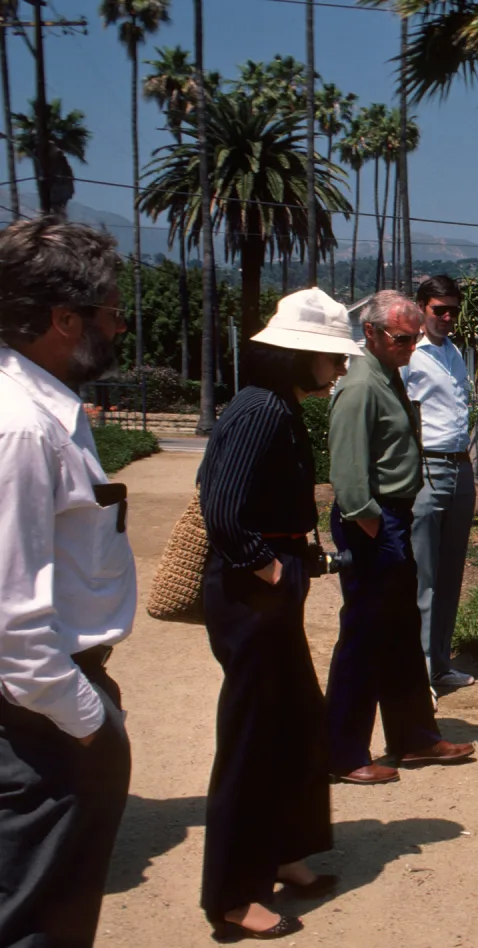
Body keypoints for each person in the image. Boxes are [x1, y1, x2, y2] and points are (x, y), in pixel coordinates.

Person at [198, 289, 358, 941]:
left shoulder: (278, 406)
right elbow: (222, 505)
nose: (339, 370)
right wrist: (266, 564)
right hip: (250, 594)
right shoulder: (261, 408)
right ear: (302, 354)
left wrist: (298, 559)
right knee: (252, 736)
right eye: (331, 358)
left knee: (295, 721)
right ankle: (235, 895)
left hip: (272, 587)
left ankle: (284, 851)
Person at [0, 218, 134, 947]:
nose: (118, 328)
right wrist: (87, 722)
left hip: (49, 705)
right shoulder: (21, 427)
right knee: (36, 919)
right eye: (111, 312)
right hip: (38, 718)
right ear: (62, 319)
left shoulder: (48, 409)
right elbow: (10, 624)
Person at [325, 290, 476, 785]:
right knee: (365, 636)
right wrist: (368, 521)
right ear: (370, 333)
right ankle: (343, 751)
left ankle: (413, 737)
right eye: (402, 339)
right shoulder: (361, 386)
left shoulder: (386, 376)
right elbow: (348, 472)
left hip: (394, 517)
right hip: (374, 521)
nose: (411, 347)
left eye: (413, 338)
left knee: (400, 631)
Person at [404, 274, 476, 694]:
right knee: (424, 574)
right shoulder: (410, 355)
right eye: (439, 310)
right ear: (422, 309)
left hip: (460, 466)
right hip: (427, 468)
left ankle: (441, 662)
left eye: (453, 310)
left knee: (451, 572)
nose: (447, 317)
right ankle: (420, 670)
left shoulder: (454, 353)